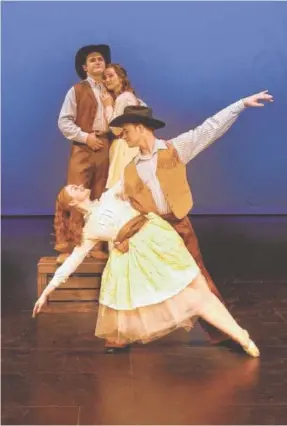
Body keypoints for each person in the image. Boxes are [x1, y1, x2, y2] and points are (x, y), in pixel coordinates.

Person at [107, 89, 274, 345]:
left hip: (179, 227)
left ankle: (225, 332)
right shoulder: (130, 170)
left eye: (126, 130)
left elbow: (210, 129)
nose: (123, 136)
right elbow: (120, 201)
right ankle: (121, 336)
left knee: (199, 280)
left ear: (140, 128)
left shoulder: (175, 149)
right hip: (153, 232)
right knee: (136, 279)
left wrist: (240, 104)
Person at [33, 183, 260, 358]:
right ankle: (241, 337)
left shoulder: (110, 193)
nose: (79, 185)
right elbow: (73, 261)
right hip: (140, 256)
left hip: (156, 239)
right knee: (193, 297)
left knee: (199, 288)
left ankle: (241, 335)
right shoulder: (89, 230)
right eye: (74, 188)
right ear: (72, 202)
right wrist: (46, 292)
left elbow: (131, 171)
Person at [56, 44, 112, 264]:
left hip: (107, 146)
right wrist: (86, 138)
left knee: (100, 194)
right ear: (84, 67)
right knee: (76, 194)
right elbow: (64, 122)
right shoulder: (76, 91)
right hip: (83, 147)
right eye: (92, 60)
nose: (97, 62)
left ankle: (96, 244)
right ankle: (69, 246)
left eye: (100, 59)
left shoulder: (113, 89)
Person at [102, 63, 144, 188]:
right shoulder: (132, 98)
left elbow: (116, 129)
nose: (107, 80)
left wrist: (108, 106)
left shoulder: (123, 98)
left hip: (124, 147)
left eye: (110, 76)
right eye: (105, 77)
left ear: (120, 78)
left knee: (119, 185)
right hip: (131, 146)